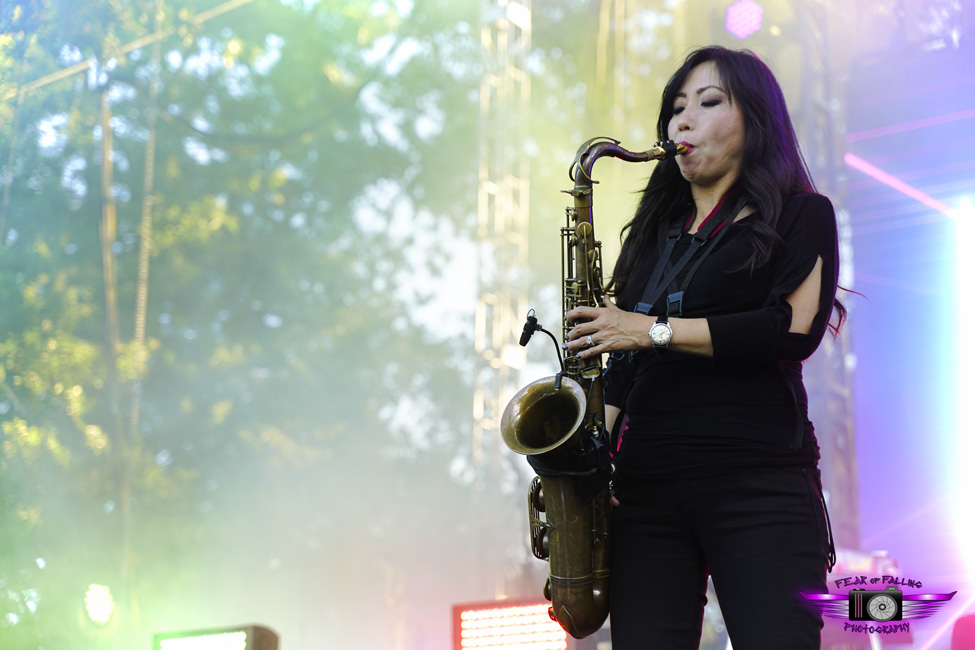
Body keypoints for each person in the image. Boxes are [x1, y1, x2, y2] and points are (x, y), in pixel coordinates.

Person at [563, 46, 842, 649]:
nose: (681, 121)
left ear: (756, 120)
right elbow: (625, 365)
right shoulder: (652, 234)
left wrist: (654, 330)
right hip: (646, 493)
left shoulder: (802, 215)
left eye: (709, 102)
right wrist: (585, 462)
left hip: (758, 484)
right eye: (676, 108)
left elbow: (791, 332)